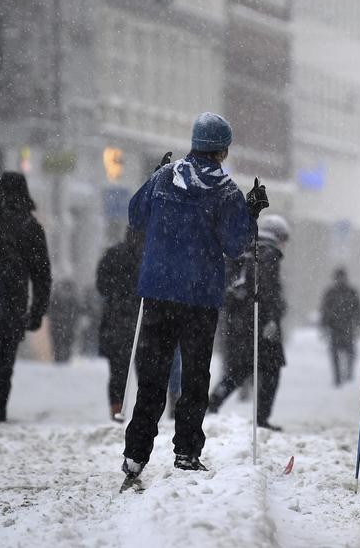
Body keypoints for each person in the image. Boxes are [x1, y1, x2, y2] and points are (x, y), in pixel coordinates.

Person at [120, 112, 265, 492]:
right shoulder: (227, 191)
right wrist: (251, 212)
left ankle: (135, 457)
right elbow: (236, 245)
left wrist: (153, 174)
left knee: (151, 377)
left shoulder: (164, 178)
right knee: (195, 376)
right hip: (200, 298)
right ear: (224, 149)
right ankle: (186, 452)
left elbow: (136, 218)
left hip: (157, 292)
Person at [0, 172, 52, 430]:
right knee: (5, 363)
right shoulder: (30, 227)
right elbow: (42, 275)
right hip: (13, 304)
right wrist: (37, 311)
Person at [207, 213, 289, 429]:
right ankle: (261, 418)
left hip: (240, 323)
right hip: (261, 322)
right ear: (278, 236)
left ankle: (213, 401)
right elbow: (267, 289)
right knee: (271, 369)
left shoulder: (244, 250)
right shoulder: (268, 253)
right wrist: (272, 318)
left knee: (239, 370)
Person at [97, 232, 144, 421]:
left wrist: (119, 291)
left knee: (118, 374)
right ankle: (144, 414)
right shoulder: (149, 256)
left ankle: (117, 411)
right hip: (143, 322)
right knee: (147, 373)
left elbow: (101, 286)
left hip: (116, 322)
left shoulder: (113, 254)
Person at [320, 267, 360, 387]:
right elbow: (324, 310)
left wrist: (357, 322)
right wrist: (325, 324)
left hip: (347, 326)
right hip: (335, 327)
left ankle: (348, 373)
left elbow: (358, 309)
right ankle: (338, 377)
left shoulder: (351, 292)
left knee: (350, 352)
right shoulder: (331, 293)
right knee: (335, 353)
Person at [49, 278, 81, 363]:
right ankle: (61, 358)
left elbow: (77, 311)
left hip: (63, 324)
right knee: (61, 342)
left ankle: (62, 358)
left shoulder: (57, 297)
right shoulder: (70, 298)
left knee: (63, 342)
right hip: (62, 324)